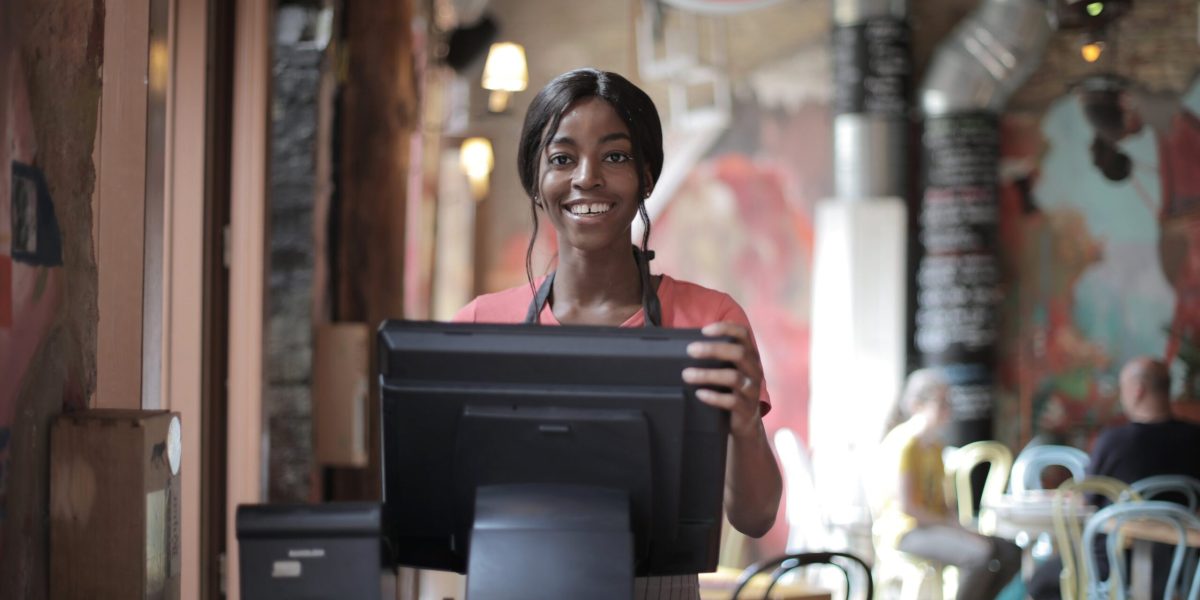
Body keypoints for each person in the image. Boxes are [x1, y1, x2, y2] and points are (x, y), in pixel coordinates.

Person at [452, 68, 783, 599]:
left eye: (615, 156)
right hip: (514, 583)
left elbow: (756, 517)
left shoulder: (708, 319)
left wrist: (743, 425)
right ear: (535, 180)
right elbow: (440, 503)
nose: (588, 177)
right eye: (562, 159)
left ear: (648, 176)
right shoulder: (476, 327)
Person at [1027, 356, 1200, 600]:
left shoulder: (1116, 441)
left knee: (1040, 582)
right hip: (1180, 567)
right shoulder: (1195, 438)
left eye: (1123, 388)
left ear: (1137, 391)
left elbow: (1086, 501)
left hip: (1112, 565)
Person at [872, 368, 1022, 600]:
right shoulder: (904, 444)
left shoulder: (935, 447)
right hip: (907, 531)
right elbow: (909, 508)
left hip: (935, 525)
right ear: (917, 404)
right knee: (979, 555)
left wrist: (963, 528)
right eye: (941, 403)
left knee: (1010, 552)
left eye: (949, 403)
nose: (947, 410)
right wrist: (952, 528)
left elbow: (945, 504)